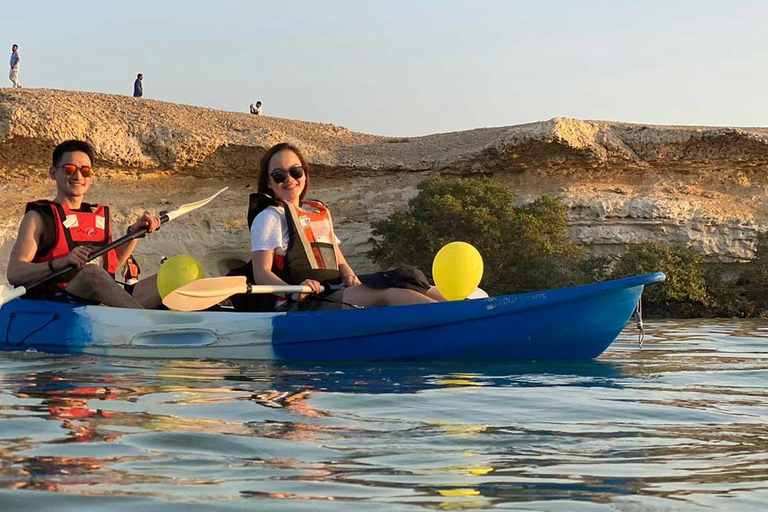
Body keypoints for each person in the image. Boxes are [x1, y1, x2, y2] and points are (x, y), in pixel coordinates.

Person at [248, 142, 443, 311]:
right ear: (269, 182)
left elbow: (339, 261)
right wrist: (293, 292)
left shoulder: (315, 213)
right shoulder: (269, 217)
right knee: (387, 293)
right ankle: (450, 320)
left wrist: (349, 275)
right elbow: (262, 273)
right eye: (279, 175)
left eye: (295, 171)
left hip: (331, 291)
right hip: (297, 303)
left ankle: (461, 310)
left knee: (407, 279)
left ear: (305, 175)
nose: (289, 179)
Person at [6, 140, 163, 309]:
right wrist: (61, 263)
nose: (78, 176)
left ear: (91, 177)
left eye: (85, 171)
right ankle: (143, 323)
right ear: (53, 173)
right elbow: (15, 273)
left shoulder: (98, 216)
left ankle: (171, 325)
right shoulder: (38, 218)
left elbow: (112, 263)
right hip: (58, 306)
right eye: (69, 169)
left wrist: (134, 233)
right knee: (91, 273)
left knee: (175, 273)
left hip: (98, 304)